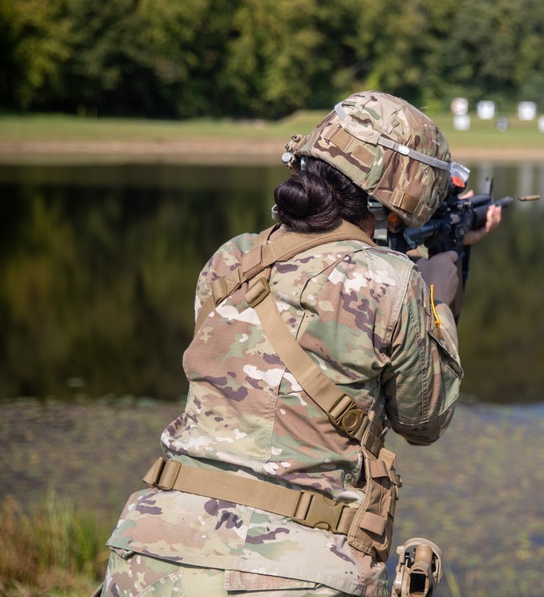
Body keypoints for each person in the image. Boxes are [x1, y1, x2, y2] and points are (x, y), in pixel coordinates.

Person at [99, 91, 499, 597]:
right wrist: (439, 294)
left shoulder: (233, 259)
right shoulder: (393, 282)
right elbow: (425, 420)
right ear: (402, 190)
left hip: (148, 555)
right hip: (296, 571)